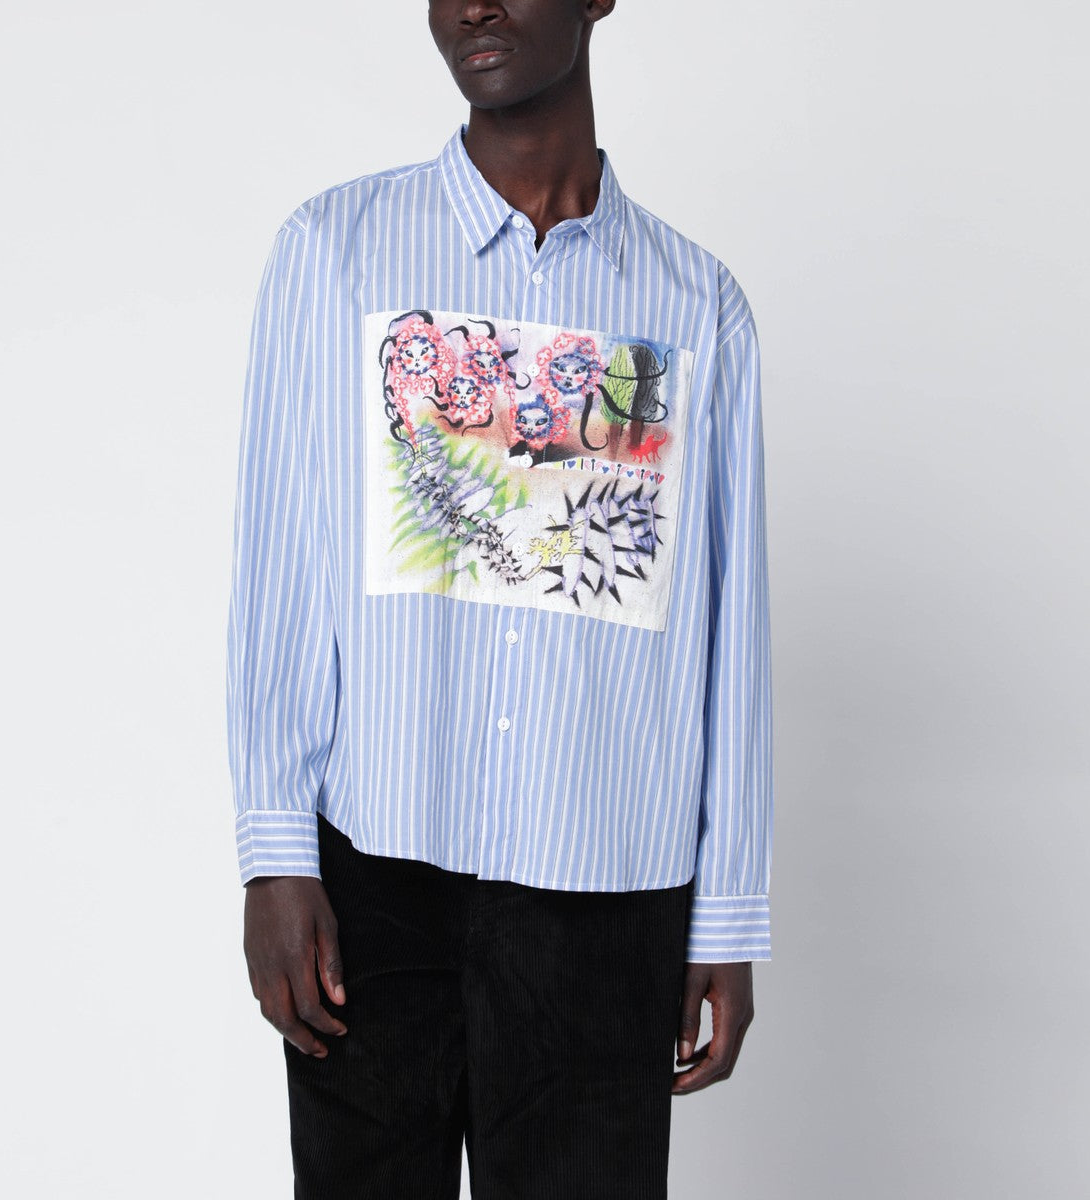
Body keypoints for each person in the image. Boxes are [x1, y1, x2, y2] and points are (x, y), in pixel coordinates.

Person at [226, 2, 774, 1196]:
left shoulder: (696, 304)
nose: (472, 4)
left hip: (607, 889)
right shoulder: (336, 250)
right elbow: (283, 559)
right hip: (374, 877)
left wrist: (729, 911)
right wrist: (275, 853)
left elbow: (732, 630)